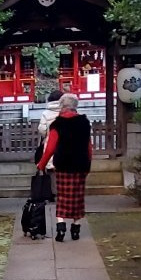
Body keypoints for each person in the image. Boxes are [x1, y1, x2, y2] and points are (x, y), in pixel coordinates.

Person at [35, 93, 92, 242]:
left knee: (62, 197)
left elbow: (50, 148)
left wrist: (41, 164)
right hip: (80, 165)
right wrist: (88, 165)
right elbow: (89, 147)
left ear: (62, 106)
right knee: (77, 197)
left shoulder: (57, 124)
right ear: (75, 106)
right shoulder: (84, 122)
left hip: (63, 165)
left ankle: (61, 229)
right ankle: (76, 229)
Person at [34, 89, 63, 171]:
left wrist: (46, 136)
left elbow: (42, 129)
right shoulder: (66, 111)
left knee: (52, 176)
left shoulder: (46, 113)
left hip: (50, 146)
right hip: (66, 151)